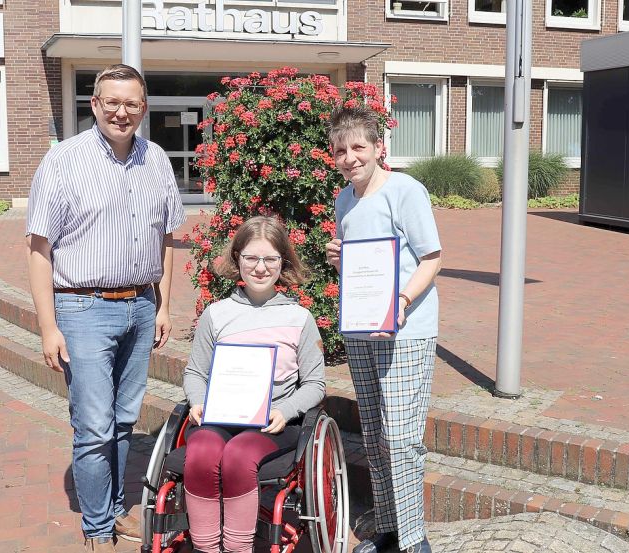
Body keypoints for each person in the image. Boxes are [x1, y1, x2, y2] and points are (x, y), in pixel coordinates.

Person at [26, 64, 186, 552]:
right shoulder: (63, 161)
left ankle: (114, 512)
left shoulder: (156, 159)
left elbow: (167, 237)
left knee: (121, 421)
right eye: (111, 102)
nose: (122, 111)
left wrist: (161, 304)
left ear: (143, 107)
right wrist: (48, 327)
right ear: (94, 105)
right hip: (82, 308)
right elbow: (38, 248)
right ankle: (97, 527)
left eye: (132, 103)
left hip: (139, 306)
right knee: (94, 426)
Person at [324, 106, 442, 553]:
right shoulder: (344, 200)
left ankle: (415, 541)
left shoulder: (406, 190)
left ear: (378, 148)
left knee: (402, 438)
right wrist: (340, 261)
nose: (350, 157)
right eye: (340, 150)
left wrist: (403, 301)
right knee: (373, 433)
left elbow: (432, 258)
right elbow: (360, 270)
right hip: (361, 331)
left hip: (405, 331)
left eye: (358, 147)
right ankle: (390, 529)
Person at [182, 216, 326, 553]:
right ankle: (206, 548)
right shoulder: (216, 314)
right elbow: (195, 372)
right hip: (220, 417)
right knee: (201, 451)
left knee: (238, 455)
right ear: (237, 260)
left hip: (273, 424)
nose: (260, 268)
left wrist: (286, 409)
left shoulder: (298, 318)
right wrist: (197, 399)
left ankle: (237, 548)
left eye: (270, 259)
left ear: (283, 263)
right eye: (251, 258)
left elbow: (316, 384)